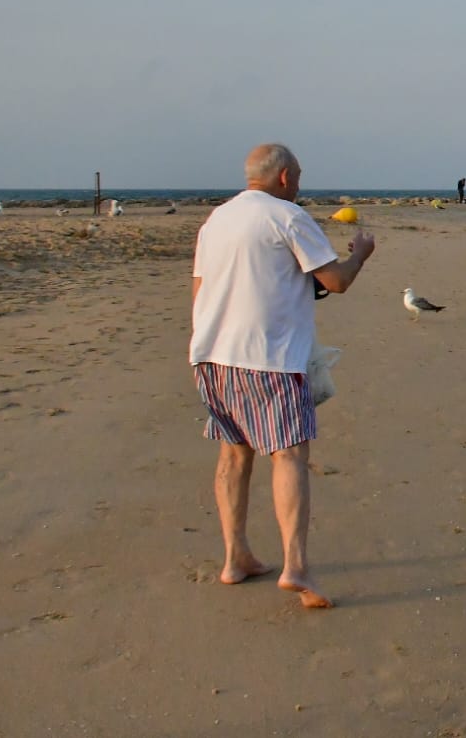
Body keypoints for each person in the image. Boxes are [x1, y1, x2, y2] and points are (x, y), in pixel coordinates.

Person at [189, 143, 375, 608]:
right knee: (288, 454)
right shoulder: (287, 216)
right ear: (286, 177)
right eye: (299, 175)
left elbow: (200, 288)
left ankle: (237, 557)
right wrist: (361, 253)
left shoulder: (216, 220)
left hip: (212, 353)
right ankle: (296, 567)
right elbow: (337, 281)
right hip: (268, 356)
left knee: (234, 455)